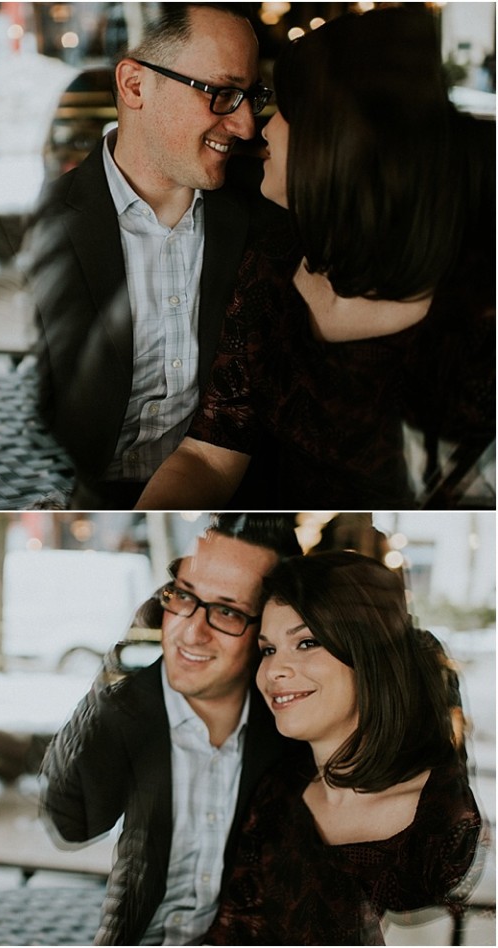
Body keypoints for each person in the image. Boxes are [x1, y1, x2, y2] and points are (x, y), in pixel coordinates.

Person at [136, 7, 495, 510]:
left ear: (336, 141)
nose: (259, 130)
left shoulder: (479, 321)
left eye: (284, 110)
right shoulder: (275, 258)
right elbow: (209, 454)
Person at [25, 4, 284, 508]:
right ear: (135, 86)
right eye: (223, 94)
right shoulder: (41, 229)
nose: (247, 125)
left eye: (252, 96)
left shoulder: (266, 212)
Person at [39, 514, 302, 945]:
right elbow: (69, 822)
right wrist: (108, 686)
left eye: (226, 611)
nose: (191, 632)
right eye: (184, 596)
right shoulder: (133, 706)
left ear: (268, 632)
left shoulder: (290, 726)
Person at [205, 551, 484, 946]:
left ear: (367, 656)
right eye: (268, 650)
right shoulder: (278, 793)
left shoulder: (442, 821)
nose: (274, 671)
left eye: (306, 642)